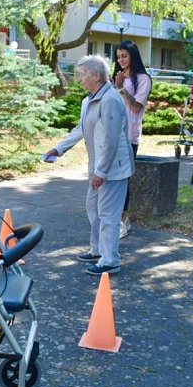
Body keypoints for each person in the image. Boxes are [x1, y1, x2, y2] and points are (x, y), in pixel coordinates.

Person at [43, 55, 134, 276]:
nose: (79, 78)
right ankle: (97, 251)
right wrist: (59, 149)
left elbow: (112, 140)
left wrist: (101, 172)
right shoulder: (89, 100)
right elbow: (81, 128)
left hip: (113, 169)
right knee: (93, 208)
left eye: (83, 74)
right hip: (98, 166)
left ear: (95, 75)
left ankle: (110, 259)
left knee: (108, 214)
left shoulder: (110, 99)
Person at [112, 40, 152, 239]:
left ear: (133, 56)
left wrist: (121, 89)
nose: (120, 60)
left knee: (124, 179)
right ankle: (113, 218)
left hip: (129, 136)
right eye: (118, 57)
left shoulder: (143, 79)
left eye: (124, 56)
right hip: (113, 134)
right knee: (111, 178)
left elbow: (136, 107)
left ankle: (122, 220)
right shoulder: (116, 77)